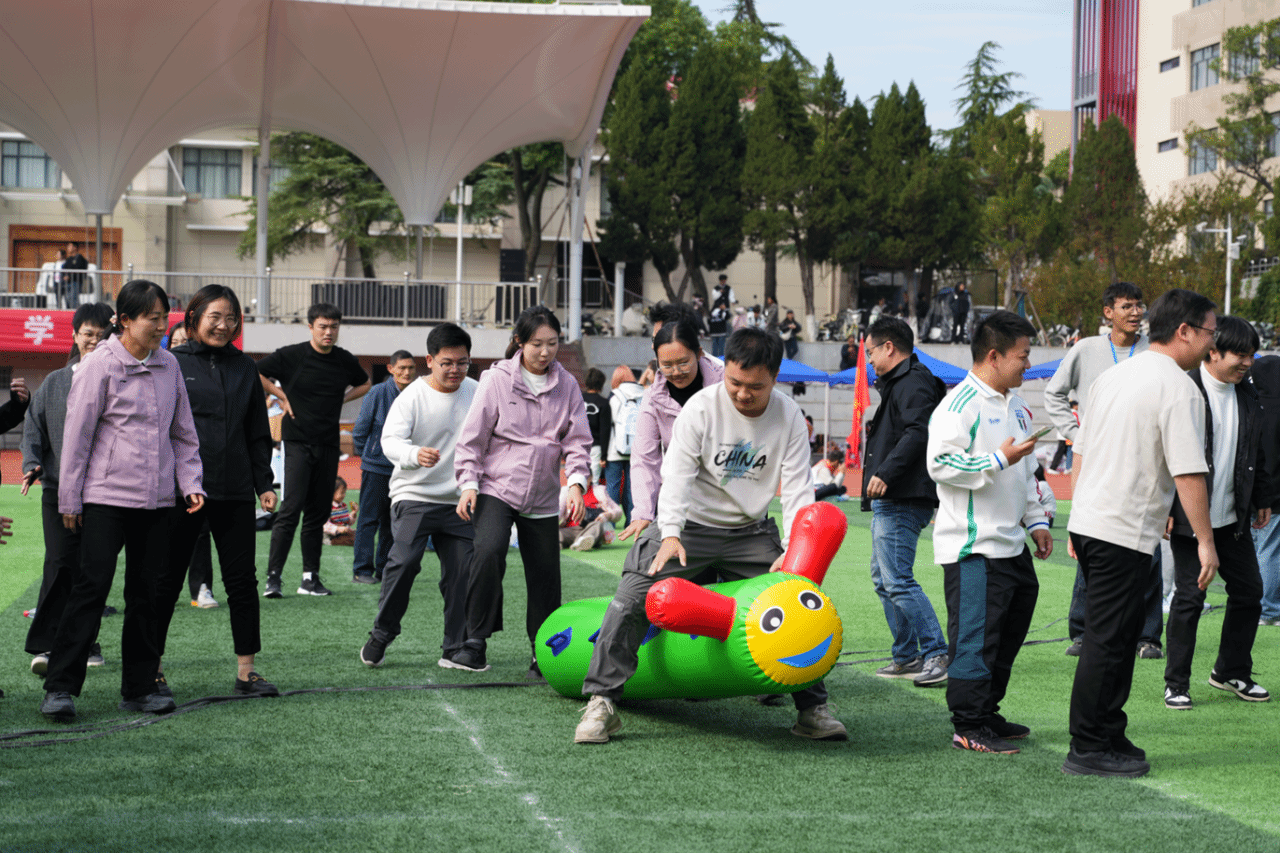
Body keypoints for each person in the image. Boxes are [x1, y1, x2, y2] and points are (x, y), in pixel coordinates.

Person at [575, 327, 846, 744]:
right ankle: (602, 702)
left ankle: (812, 709)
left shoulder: (790, 415)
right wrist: (669, 533)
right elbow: (676, 476)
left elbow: (797, 490)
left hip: (749, 532)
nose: (742, 393)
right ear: (726, 370)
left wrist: (792, 548)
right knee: (633, 593)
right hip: (690, 527)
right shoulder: (701, 408)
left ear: (775, 378)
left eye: (755, 387)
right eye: (734, 382)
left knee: (795, 597)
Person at [1065, 288, 1219, 778]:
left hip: (1095, 522)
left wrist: (1076, 514)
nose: (1213, 343)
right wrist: (1206, 541)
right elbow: (1188, 471)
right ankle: (1089, 745)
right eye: (1211, 332)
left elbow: (1081, 450)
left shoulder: (1114, 375)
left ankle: (1108, 730)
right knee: (1109, 640)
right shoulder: (1179, 387)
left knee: (1116, 635)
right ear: (1185, 331)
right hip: (1121, 529)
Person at [40, 279, 205, 722]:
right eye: (153, 318)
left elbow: (183, 433)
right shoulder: (99, 365)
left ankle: (139, 688)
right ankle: (60, 687)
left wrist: (191, 482)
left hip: (157, 501)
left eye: (165, 317)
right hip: (105, 499)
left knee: (146, 595)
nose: (162, 326)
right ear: (126, 321)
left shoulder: (169, 366)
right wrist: (70, 500)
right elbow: (77, 437)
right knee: (90, 589)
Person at [927, 311, 1052, 754]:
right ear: (994, 356)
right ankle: (968, 724)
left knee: (1008, 635)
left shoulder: (1016, 406)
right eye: (1023, 356)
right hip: (973, 547)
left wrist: (1037, 521)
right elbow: (939, 464)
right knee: (976, 639)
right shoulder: (958, 405)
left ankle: (987, 712)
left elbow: (1028, 472)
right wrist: (996, 460)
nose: (1028, 365)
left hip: (1012, 546)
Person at [155, 284, 279, 699]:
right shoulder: (171, 362)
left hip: (234, 490)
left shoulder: (245, 367)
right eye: (215, 317)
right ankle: (151, 669)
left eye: (231, 319)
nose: (223, 326)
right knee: (166, 579)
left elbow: (257, 432)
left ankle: (247, 672)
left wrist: (264, 483)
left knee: (242, 582)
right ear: (193, 318)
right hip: (182, 492)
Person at [453, 306, 592, 675]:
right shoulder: (496, 380)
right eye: (536, 344)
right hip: (497, 486)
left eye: (552, 343)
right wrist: (468, 483)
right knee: (488, 551)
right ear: (519, 342)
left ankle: (542, 652)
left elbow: (578, 441)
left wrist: (576, 483)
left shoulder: (568, 385)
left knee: (545, 574)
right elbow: (473, 437)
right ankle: (475, 642)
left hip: (543, 494)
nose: (545, 352)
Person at [1044, 282, 1161, 659]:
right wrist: (1078, 435)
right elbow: (1053, 394)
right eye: (1127, 306)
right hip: (1095, 461)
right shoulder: (1086, 349)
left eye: (1139, 305)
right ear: (1108, 312)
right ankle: (1083, 631)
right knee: (1090, 537)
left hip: (1143, 461)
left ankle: (1148, 636)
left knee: (1149, 546)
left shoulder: (1154, 351)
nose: (1136, 312)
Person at [1163, 316, 1273, 710]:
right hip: (1190, 520)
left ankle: (1230, 671)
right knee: (1190, 597)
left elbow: (1256, 451)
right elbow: (1162, 456)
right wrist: (1166, 507)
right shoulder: (1184, 389)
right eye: (1240, 355)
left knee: (1250, 592)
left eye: (1251, 355)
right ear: (1213, 352)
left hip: (1232, 519)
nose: (1248, 362)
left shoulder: (1248, 393)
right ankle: (1176, 682)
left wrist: (1262, 497)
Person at [361, 323, 481, 670]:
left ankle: (455, 647)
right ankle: (381, 634)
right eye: (447, 363)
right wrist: (414, 454)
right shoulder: (411, 396)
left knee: (461, 573)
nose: (455, 370)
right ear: (430, 361)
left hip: (460, 500)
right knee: (403, 563)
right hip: (414, 495)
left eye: (462, 362)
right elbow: (390, 441)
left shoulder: (478, 392)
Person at [21, 302, 114, 675]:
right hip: (58, 492)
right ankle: (47, 645)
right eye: (87, 333)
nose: (93, 340)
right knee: (59, 564)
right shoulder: (55, 382)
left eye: (101, 335)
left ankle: (87, 641)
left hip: (105, 494)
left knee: (92, 570)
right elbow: (33, 427)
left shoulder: (118, 379)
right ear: (75, 336)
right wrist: (31, 463)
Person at [257, 303, 371, 597]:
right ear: (311, 327)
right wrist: (281, 395)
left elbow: (365, 383)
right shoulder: (292, 355)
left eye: (334, 327)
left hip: (328, 444)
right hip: (297, 442)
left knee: (317, 513)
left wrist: (342, 400)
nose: (328, 332)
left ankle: (310, 579)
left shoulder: (344, 360)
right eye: (323, 326)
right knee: (291, 508)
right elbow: (255, 372)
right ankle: (273, 578)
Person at [861, 316, 949, 687]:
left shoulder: (913, 381)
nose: (869, 360)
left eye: (870, 352)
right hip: (895, 495)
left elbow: (919, 431)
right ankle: (907, 655)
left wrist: (886, 472)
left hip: (902, 495)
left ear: (889, 347)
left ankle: (936, 653)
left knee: (896, 580)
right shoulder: (904, 382)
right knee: (885, 579)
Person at [620, 317, 725, 549]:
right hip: (683, 499)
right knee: (649, 562)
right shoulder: (653, 397)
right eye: (666, 365)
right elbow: (644, 457)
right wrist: (643, 511)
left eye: (683, 363)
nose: (676, 372)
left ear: (699, 353)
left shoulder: (725, 384)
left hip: (728, 497)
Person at [351, 350, 417, 583]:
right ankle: (362, 570)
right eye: (402, 368)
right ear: (391, 369)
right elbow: (360, 430)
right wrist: (371, 456)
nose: (407, 372)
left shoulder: (417, 394)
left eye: (410, 368)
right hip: (376, 468)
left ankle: (384, 569)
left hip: (403, 469)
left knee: (392, 521)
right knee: (368, 519)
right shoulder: (378, 392)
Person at [1253, 354, 1280, 627]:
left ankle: (1255, 603)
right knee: (1270, 550)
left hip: (1250, 490)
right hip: (1275, 493)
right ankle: (1269, 609)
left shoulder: (1250, 405)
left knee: (1256, 548)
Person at [606, 365, 645, 527]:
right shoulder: (643, 396)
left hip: (614, 449)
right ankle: (631, 521)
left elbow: (608, 423)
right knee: (632, 488)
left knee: (612, 487)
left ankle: (611, 522)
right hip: (637, 449)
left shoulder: (614, 397)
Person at [582, 368, 611, 485]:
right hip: (595, 447)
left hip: (577, 445)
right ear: (601, 384)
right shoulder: (603, 403)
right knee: (594, 481)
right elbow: (605, 431)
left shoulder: (577, 398)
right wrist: (604, 456)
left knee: (576, 479)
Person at [325, 478, 357, 544]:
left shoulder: (343, 506)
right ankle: (328, 541)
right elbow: (324, 525)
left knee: (361, 533)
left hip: (343, 532)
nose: (344, 495)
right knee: (354, 540)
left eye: (344, 492)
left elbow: (347, 522)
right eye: (341, 492)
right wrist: (337, 528)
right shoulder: (327, 507)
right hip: (332, 535)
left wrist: (353, 513)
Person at [61, 242, 89, 310]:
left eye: (70, 246)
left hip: (76, 282)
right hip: (67, 283)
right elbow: (63, 268)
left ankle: (77, 312)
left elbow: (79, 269)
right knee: (67, 299)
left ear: (75, 247)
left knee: (73, 299)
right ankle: (70, 313)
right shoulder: (69, 259)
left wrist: (69, 276)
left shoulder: (80, 259)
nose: (68, 248)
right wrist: (64, 276)